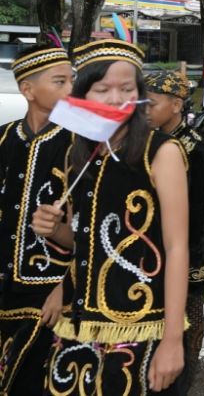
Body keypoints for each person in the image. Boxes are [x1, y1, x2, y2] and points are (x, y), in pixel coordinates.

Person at [31, 39, 188, 395]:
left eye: (127, 89)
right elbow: (82, 241)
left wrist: (173, 340)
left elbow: (177, 247)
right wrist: (54, 229)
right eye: (102, 89)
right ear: (83, 93)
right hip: (77, 324)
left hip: (140, 327)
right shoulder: (78, 153)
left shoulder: (162, 152)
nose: (117, 99)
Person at [0, 45, 74, 395]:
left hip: (49, 295)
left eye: (72, 81)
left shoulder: (80, 145)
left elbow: (93, 231)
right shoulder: (2, 138)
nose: (70, 90)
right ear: (27, 90)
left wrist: (65, 288)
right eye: (60, 82)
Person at [145, 71, 204, 395]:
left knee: (187, 332)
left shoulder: (192, 147)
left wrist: (195, 270)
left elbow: (201, 213)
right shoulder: (152, 142)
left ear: (175, 105)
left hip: (187, 259)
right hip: (155, 258)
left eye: (152, 102)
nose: (144, 108)